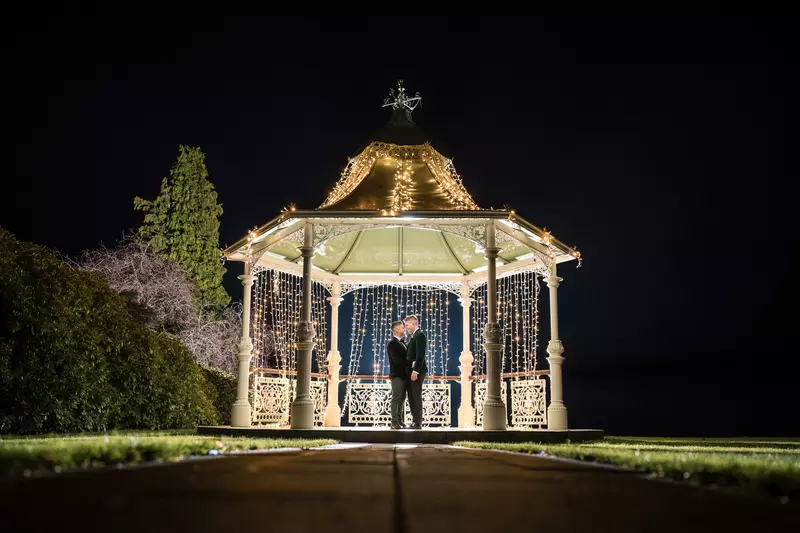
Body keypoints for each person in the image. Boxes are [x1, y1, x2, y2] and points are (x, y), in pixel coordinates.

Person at [404, 315, 427, 429]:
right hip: (412, 370)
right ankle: (415, 421)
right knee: (412, 396)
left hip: (417, 371)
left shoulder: (420, 335)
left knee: (416, 396)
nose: (406, 328)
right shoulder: (414, 336)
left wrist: (416, 371)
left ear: (414, 324)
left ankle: (417, 422)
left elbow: (420, 355)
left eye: (407, 325)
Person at [387, 320, 410, 430]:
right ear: (396, 330)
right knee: (396, 398)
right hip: (397, 375)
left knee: (402, 398)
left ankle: (400, 421)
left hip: (404, 375)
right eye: (402, 328)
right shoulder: (392, 344)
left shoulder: (402, 343)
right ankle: (394, 422)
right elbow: (397, 360)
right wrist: (410, 363)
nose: (404, 329)